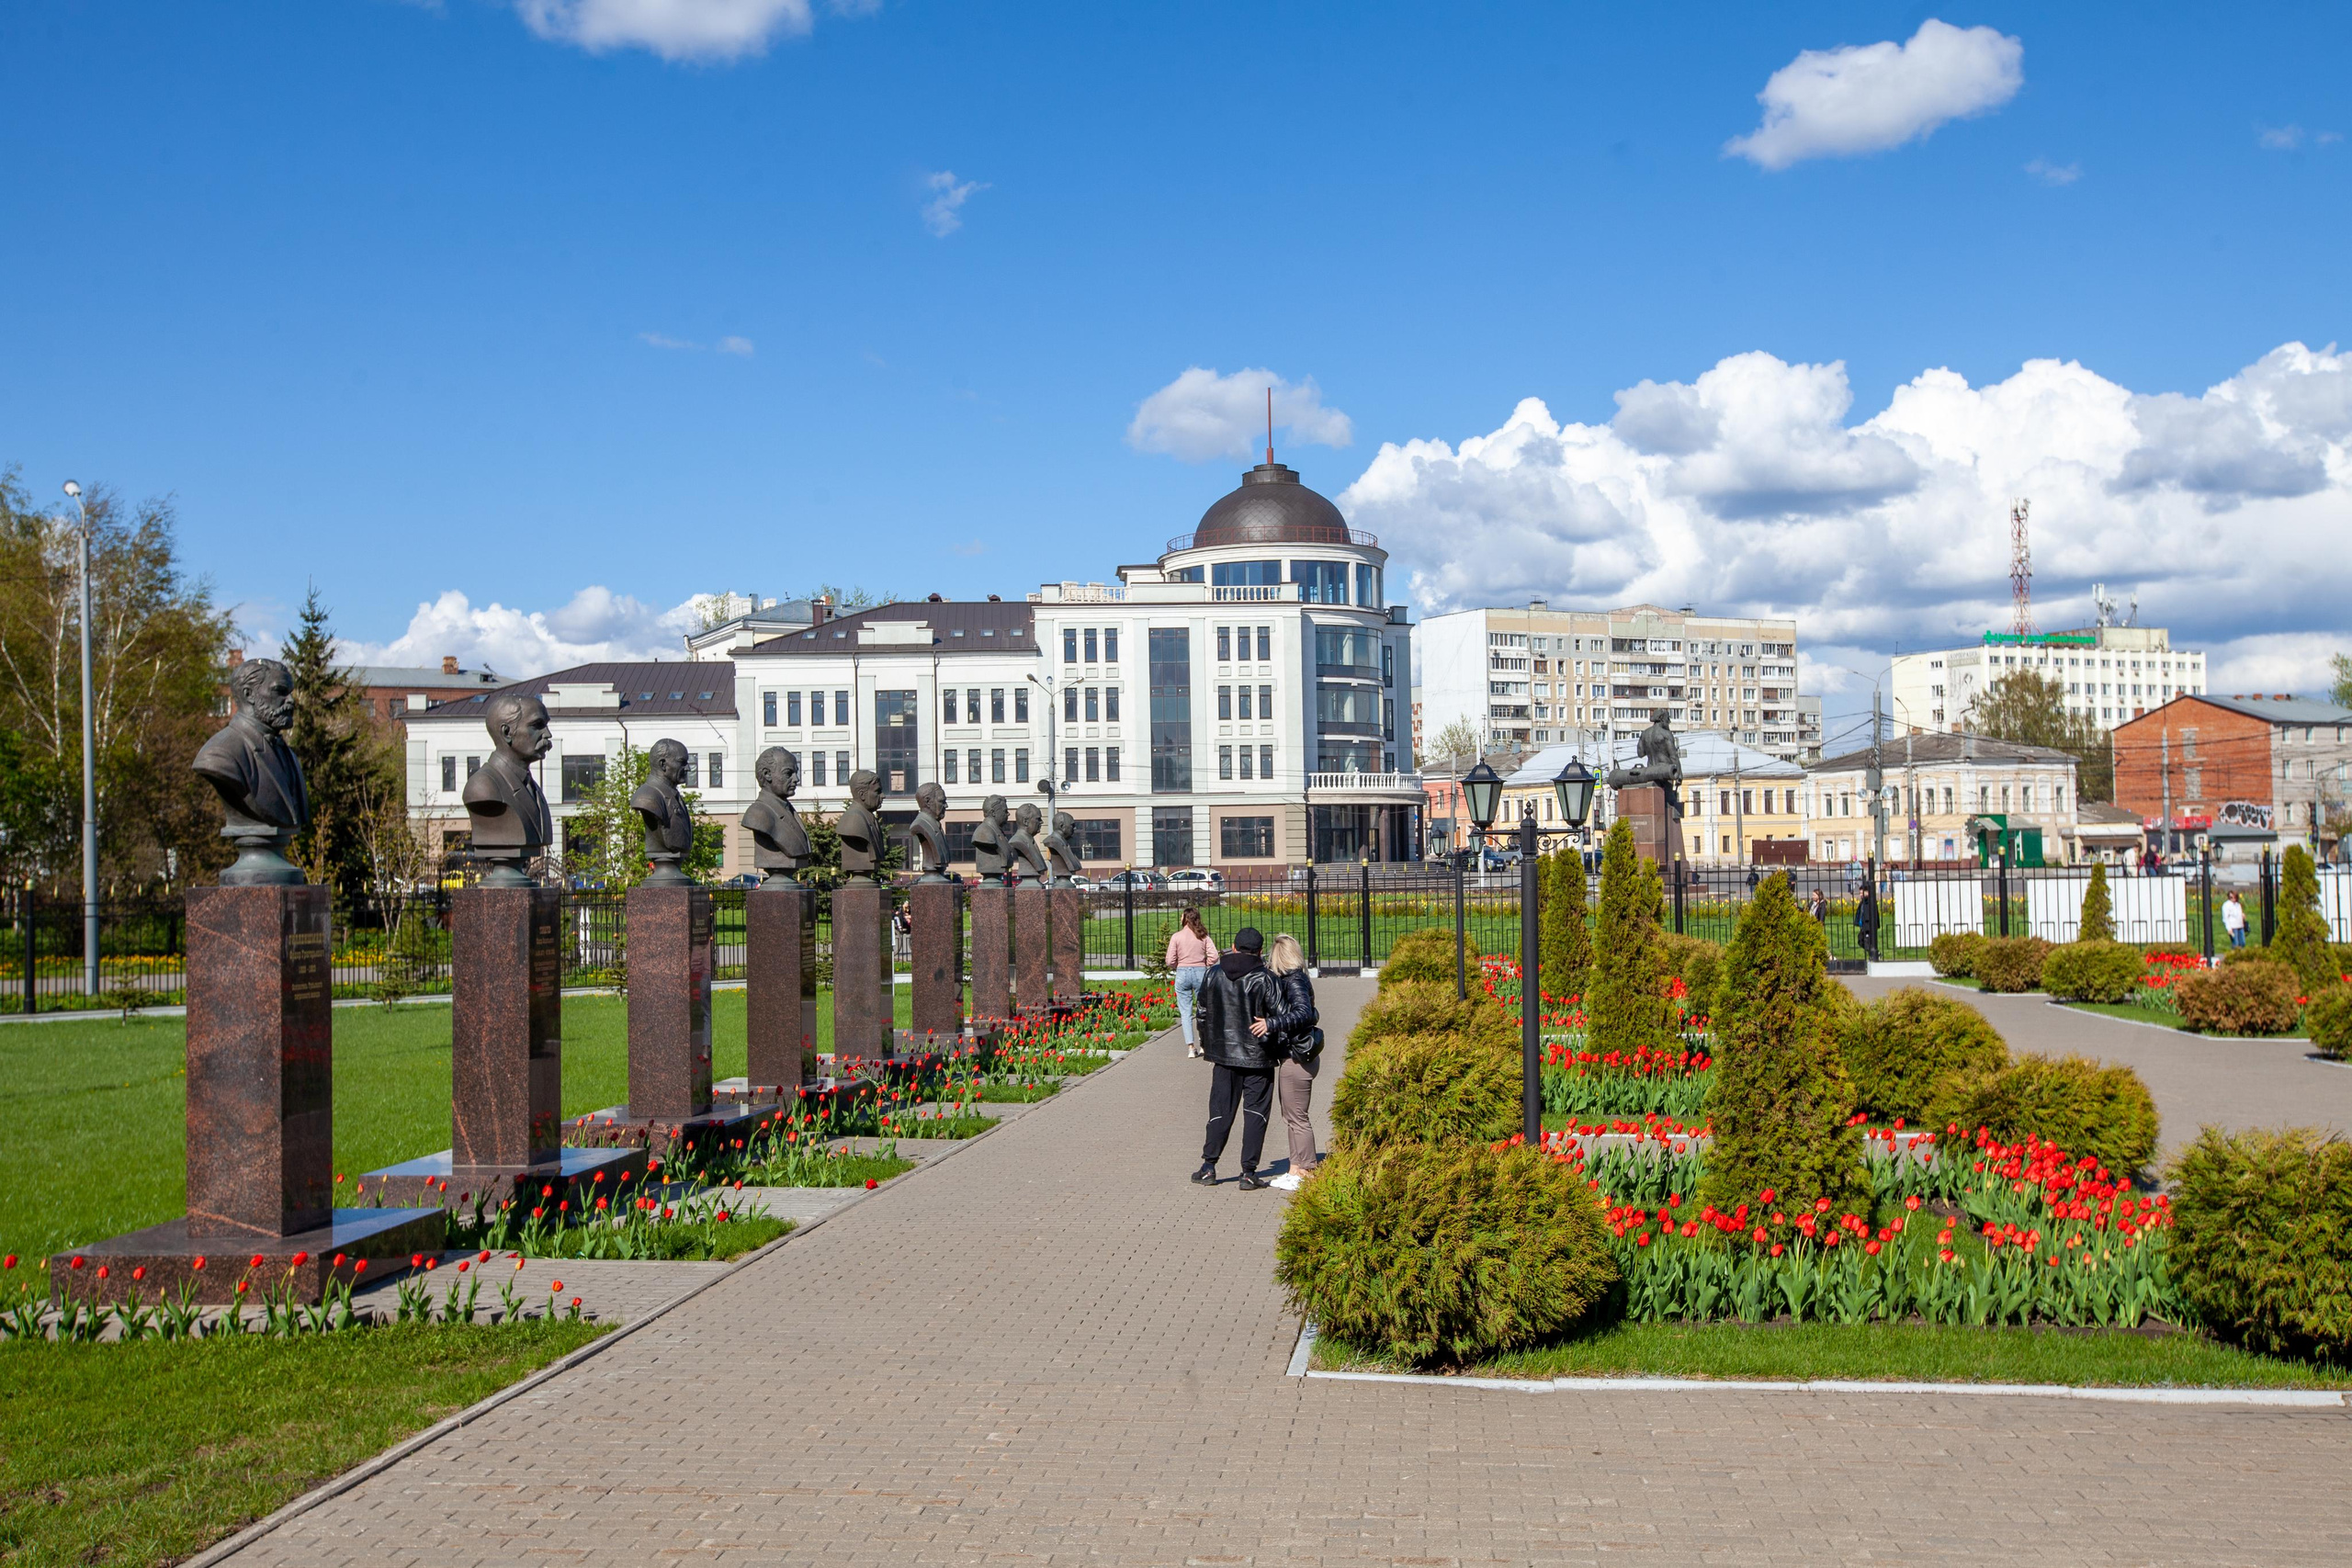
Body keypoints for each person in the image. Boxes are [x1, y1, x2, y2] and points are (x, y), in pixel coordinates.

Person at [1193, 925, 1280, 1190]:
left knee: (1220, 1111)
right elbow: (1279, 1016)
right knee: (1255, 1113)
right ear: (1260, 951)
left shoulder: (1213, 974)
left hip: (1224, 1055)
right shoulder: (1266, 978)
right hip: (1258, 1056)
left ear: (1232, 947)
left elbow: (1203, 1013)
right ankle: (1248, 1173)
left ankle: (1209, 1166)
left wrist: (1209, 1046)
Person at [1251, 933, 1321, 1192]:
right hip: (1295, 1057)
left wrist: (1272, 1023)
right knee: (1291, 1115)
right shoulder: (1296, 979)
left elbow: (1303, 1013)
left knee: (1297, 1117)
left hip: (1297, 1058)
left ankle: (1307, 1169)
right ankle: (1295, 1167)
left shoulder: (1293, 980)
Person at [1166, 908, 1218, 1057]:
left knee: (1185, 1012)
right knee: (1203, 1010)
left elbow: (1169, 960)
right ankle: (1204, 1043)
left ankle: (1190, 1047)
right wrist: (1205, 963)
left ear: (1185, 919)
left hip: (1182, 973)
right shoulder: (1203, 936)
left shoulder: (1176, 937)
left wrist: (1179, 966)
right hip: (1200, 972)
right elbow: (1214, 956)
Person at [1855, 880, 1880, 962]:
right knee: (1861, 940)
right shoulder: (1863, 901)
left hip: (1869, 925)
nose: (1861, 895)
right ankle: (1873, 953)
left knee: (1867, 941)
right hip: (1864, 925)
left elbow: (1872, 914)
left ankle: (1875, 954)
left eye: (1862, 893)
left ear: (1867, 892)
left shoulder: (1870, 901)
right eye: (1860, 893)